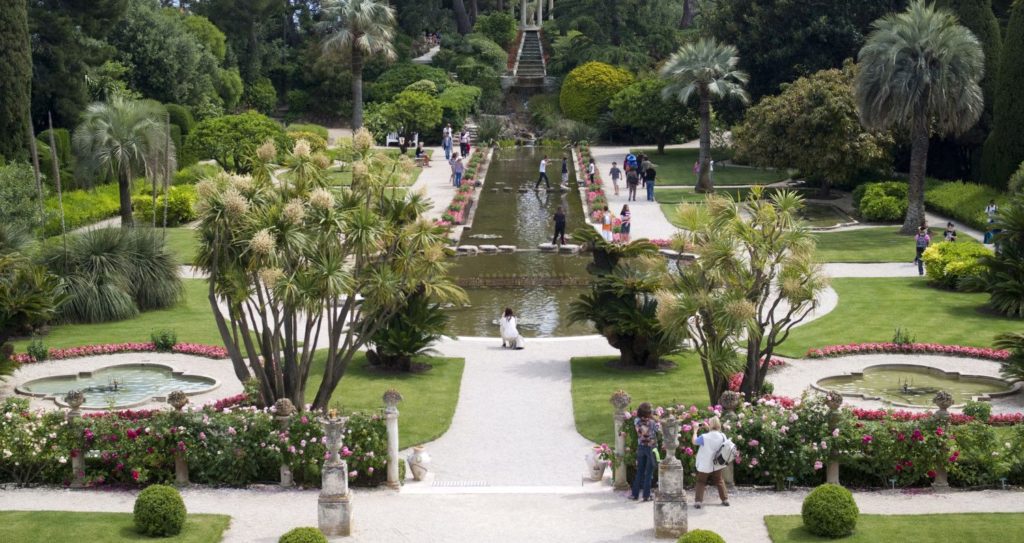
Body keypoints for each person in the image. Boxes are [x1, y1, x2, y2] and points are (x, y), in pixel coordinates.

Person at [691, 416, 730, 509]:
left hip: (705, 463)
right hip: (718, 462)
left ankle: (698, 501)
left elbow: (694, 442)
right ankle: (725, 499)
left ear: (711, 425)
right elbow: (715, 436)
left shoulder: (704, 437)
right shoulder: (722, 435)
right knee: (719, 480)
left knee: (701, 481)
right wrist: (708, 428)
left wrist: (695, 431)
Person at [629, 402, 660, 502]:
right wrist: (656, 417)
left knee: (640, 471)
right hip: (651, 448)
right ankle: (646, 495)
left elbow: (642, 418)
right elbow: (658, 429)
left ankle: (635, 494)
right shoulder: (652, 423)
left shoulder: (636, 421)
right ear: (649, 413)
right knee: (649, 472)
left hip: (641, 447)